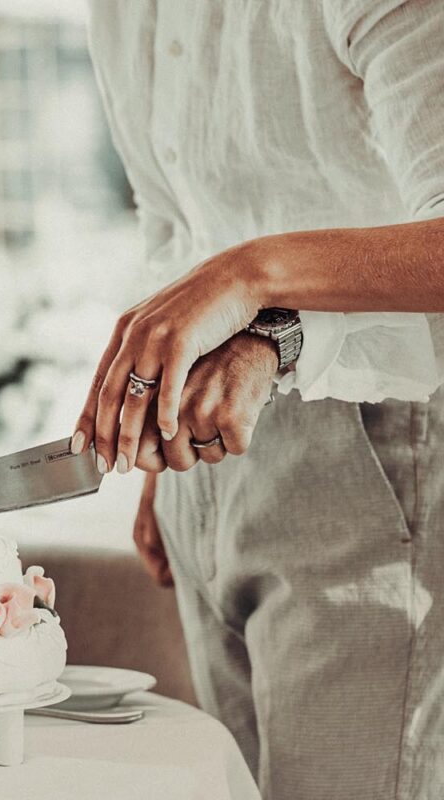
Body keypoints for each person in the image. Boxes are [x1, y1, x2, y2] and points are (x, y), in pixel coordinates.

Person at [74, 3, 444, 799]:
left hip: (372, 457)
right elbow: (173, 224)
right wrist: (161, 454)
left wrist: (255, 278)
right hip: (208, 459)